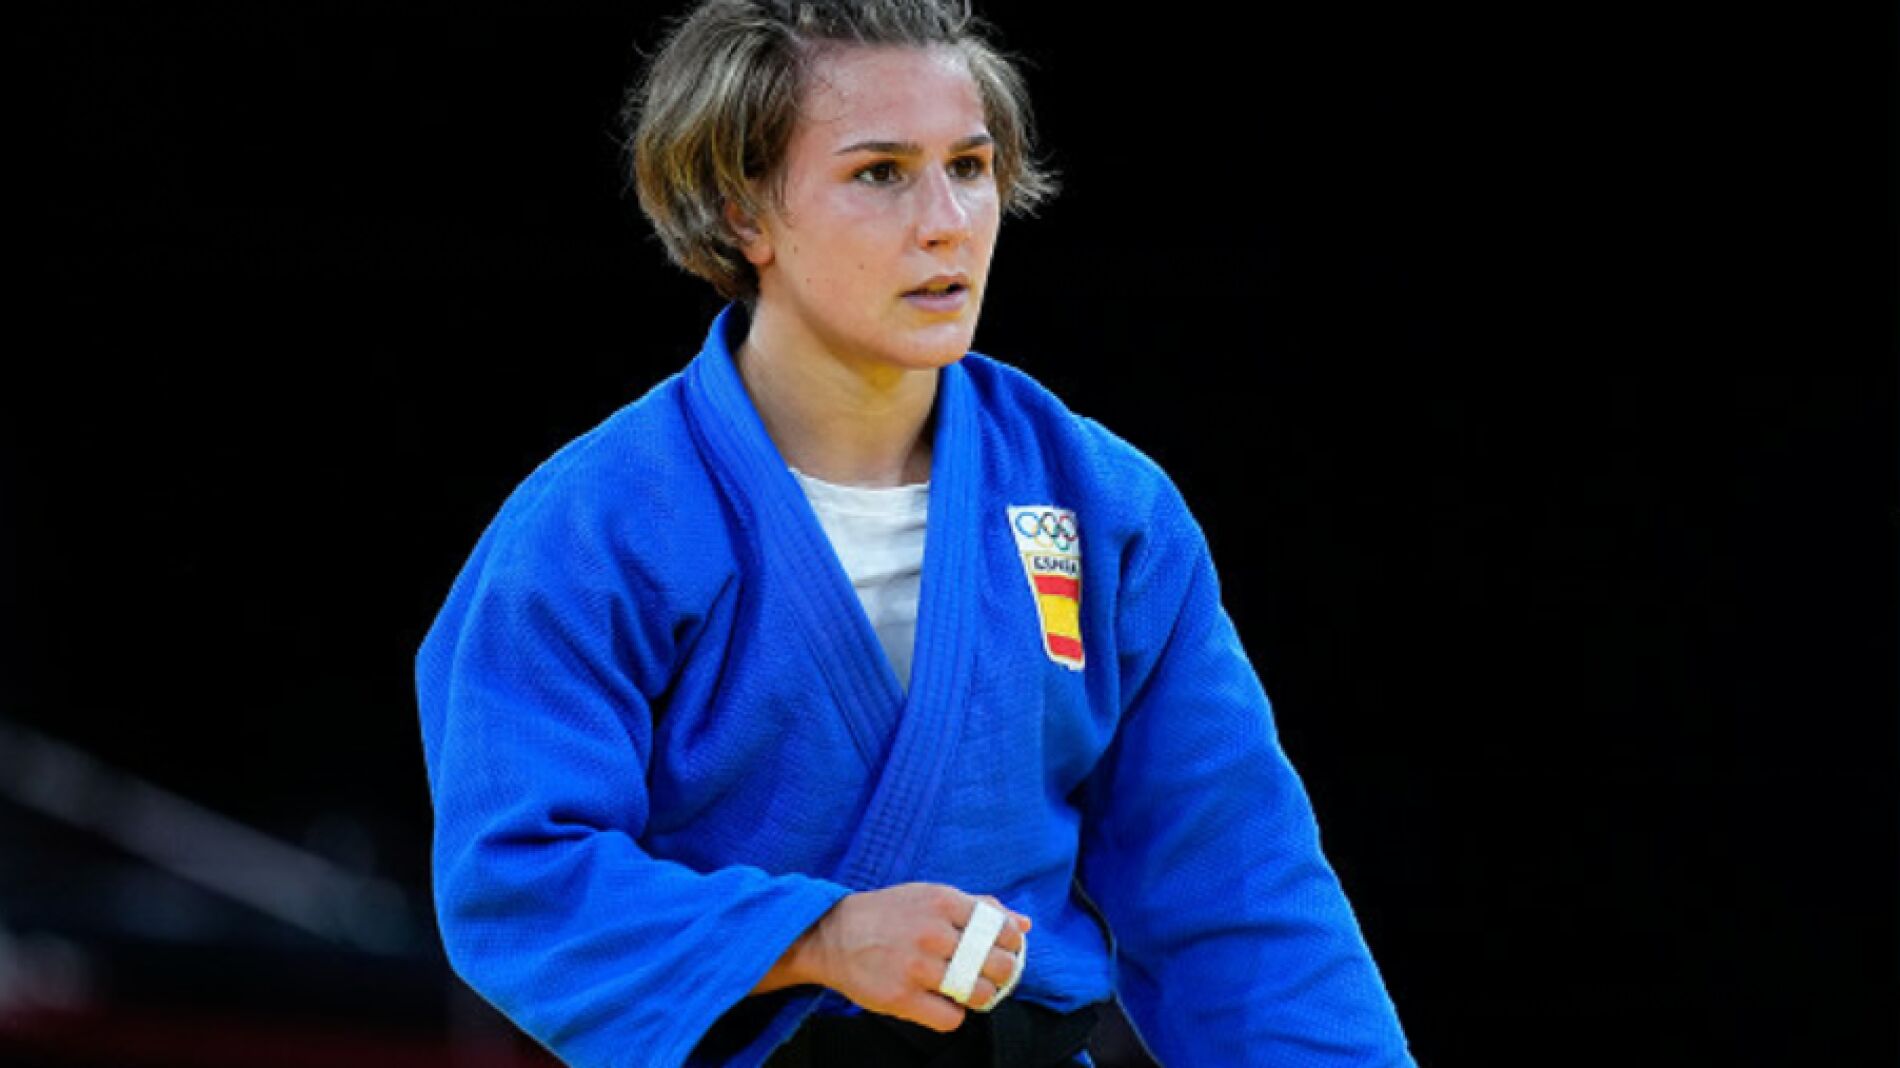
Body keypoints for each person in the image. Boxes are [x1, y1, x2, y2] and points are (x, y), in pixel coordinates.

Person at [414, 1, 1417, 1065]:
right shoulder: (596, 527)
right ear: (741, 212)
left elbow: (1238, 890)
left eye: (970, 168)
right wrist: (815, 939)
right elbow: (516, 878)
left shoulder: (1099, 507)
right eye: (881, 173)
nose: (947, 222)